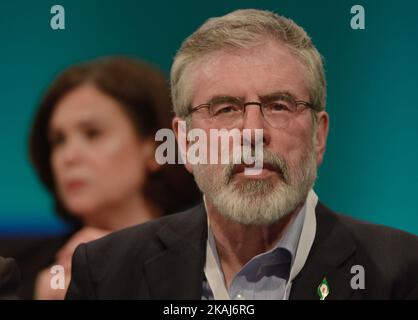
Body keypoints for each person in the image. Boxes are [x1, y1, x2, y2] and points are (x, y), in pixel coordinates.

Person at [66, 9, 418, 300]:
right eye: (225, 109)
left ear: (319, 136)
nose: (252, 133)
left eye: (279, 106)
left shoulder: (402, 270)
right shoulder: (105, 273)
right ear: (186, 143)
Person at [0, 57, 201, 299]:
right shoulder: (14, 271)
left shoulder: (211, 259)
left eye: (92, 134)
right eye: (58, 140)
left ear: (156, 147)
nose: (68, 156)